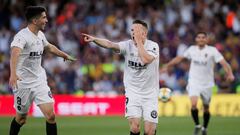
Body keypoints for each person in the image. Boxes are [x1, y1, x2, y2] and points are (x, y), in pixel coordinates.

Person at [83, 20, 159, 135]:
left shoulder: (153, 46)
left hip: (150, 94)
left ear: (144, 33)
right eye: (132, 30)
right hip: (133, 92)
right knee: (135, 127)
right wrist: (95, 40)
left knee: (149, 131)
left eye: (136, 30)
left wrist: (138, 42)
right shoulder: (127, 45)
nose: (133, 33)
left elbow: (146, 59)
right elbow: (110, 44)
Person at [9, 6, 76, 135]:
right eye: (44, 17)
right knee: (21, 119)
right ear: (35, 21)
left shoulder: (40, 34)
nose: (46, 20)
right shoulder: (22, 36)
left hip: (39, 80)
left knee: (50, 116)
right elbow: (14, 53)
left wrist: (64, 55)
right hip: (22, 82)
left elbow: (49, 47)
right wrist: (13, 74)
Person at [161, 32, 235, 135]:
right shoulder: (192, 49)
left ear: (206, 39)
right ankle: (197, 125)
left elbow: (224, 63)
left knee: (206, 108)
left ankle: (204, 127)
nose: (201, 39)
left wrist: (230, 73)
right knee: (194, 104)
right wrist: (167, 65)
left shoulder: (212, 51)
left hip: (207, 84)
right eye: (199, 37)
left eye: (203, 37)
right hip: (194, 82)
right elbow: (179, 58)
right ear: (196, 39)